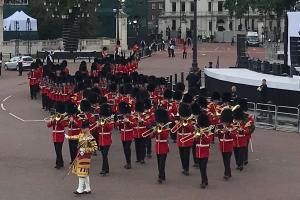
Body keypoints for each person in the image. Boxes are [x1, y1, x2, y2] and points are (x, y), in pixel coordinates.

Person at [65, 120, 98, 195]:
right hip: (79, 156)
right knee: (85, 173)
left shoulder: (90, 138)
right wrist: (68, 137)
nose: (82, 129)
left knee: (81, 173)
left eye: (83, 128)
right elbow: (76, 137)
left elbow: (95, 148)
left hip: (86, 157)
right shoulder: (82, 135)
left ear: (87, 128)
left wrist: (85, 150)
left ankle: (80, 189)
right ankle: (88, 188)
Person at [171, 103, 194, 176]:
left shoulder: (190, 121)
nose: (182, 117)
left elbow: (191, 129)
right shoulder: (179, 121)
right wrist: (178, 124)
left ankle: (186, 169)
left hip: (187, 141)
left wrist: (186, 124)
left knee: (186, 155)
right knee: (182, 156)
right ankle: (184, 168)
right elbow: (173, 130)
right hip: (180, 140)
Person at [46, 102, 68, 169]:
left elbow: (65, 125)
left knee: (58, 150)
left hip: (60, 135)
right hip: (55, 136)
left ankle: (58, 163)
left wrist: (60, 120)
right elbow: (48, 125)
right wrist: (52, 120)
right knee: (57, 150)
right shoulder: (54, 117)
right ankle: (61, 162)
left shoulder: (62, 118)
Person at [216, 108, 234, 180]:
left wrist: (227, 131)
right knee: (225, 160)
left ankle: (226, 173)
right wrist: (218, 132)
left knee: (227, 160)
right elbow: (218, 136)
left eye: (225, 122)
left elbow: (234, 135)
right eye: (224, 122)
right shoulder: (221, 126)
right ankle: (229, 172)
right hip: (222, 147)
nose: (224, 123)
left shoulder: (232, 127)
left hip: (229, 147)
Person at [98, 103, 114, 176]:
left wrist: (105, 123)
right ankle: (107, 168)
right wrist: (98, 125)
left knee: (104, 155)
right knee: (103, 155)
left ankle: (103, 169)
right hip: (101, 140)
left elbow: (110, 128)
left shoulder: (110, 119)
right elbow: (97, 130)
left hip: (107, 140)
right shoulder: (100, 119)